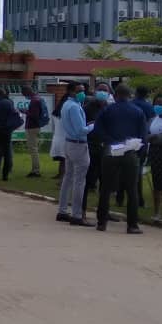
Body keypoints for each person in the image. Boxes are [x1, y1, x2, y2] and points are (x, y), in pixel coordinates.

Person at [94, 84, 148, 233]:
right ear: (130, 95)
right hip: (130, 151)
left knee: (105, 188)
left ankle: (101, 222)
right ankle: (132, 225)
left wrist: (109, 140)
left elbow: (97, 129)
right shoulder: (138, 111)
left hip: (111, 150)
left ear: (115, 95)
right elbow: (144, 135)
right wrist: (140, 153)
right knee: (132, 190)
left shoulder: (107, 110)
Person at [57, 82, 94, 226]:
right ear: (71, 91)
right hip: (78, 144)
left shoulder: (67, 104)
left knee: (68, 178)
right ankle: (77, 215)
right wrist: (93, 125)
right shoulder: (73, 107)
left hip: (69, 143)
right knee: (79, 181)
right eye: (79, 91)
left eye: (83, 90)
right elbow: (81, 130)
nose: (82, 93)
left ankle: (62, 210)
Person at [81, 88, 108, 217]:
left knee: (105, 181)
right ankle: (82, 211)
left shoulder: (108, 107)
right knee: (87, 180)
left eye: (105, 90)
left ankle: (103, 211)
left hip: (105, 147)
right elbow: (82, 126)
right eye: (100, 90)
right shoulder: (87, 108)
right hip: (91, 146)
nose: (103, 93)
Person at [21, 85, 47, 177]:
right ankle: (35, 169)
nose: (25, 97)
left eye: (24, 95)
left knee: (33, 149)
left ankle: (36, 170)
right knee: (33, 148)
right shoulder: (38, 98)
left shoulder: (34, 101)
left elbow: (34, 115)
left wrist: (25, 111)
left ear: (27, 93)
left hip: (32, 127)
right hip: (35, 126)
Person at [49, 97, 67, 180]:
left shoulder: (56, 113)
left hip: (58, 138)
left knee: (62, 160)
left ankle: (60, 175)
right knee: (65, 160)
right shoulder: (66, 114)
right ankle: (62, 178)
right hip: (65, 138)